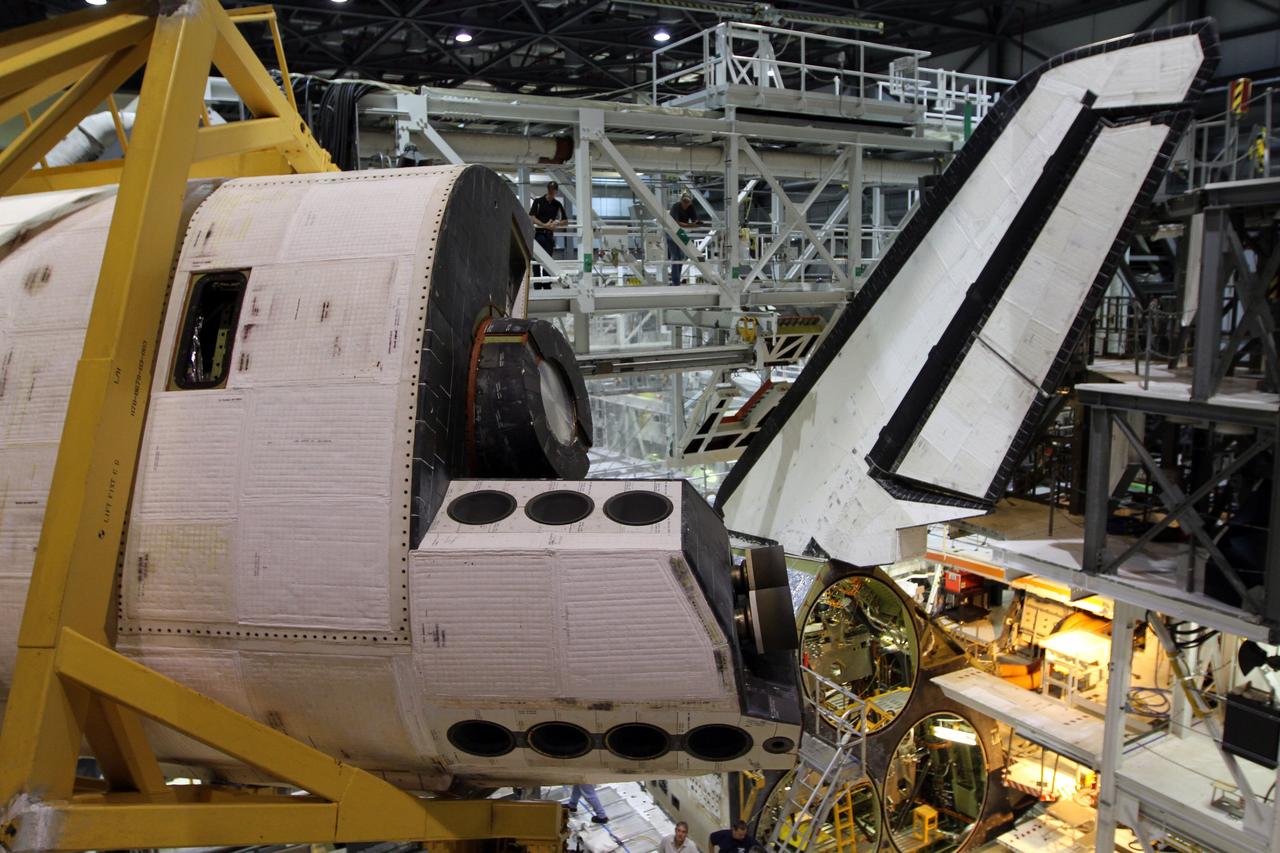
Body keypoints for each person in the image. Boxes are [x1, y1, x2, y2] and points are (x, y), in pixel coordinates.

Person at [529, 181, 567, 285]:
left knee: (548, 262)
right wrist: (544, 225)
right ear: (548, 189)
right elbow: (532, 217)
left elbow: (565, 220)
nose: (551, 192)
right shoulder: (538, 201)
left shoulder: (557, 204)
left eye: (553, 190)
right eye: (550, 189)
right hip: (538, 234)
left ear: (556, 191)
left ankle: (546, 285)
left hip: (549, 236)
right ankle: (537, 285)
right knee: (536, 263)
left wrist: (557, 223)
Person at [666, 191, 704, 286]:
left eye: (687, 202)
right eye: (684, 201)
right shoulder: (676, 206)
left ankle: (676, 280)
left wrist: (696, 223)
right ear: (681, 201)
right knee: (675, 257)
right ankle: (675, 282)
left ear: (690, 202)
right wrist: (690, 225)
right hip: (671, 232)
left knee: (681, 257)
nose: (686, 204)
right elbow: (676, 223)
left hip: (681, 232)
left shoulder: (691, 207)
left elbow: (695, 220)